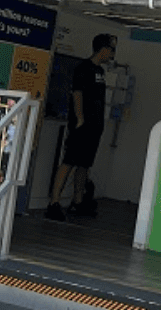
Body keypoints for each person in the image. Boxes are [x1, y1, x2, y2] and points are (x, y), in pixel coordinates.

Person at [47, 33, 116, 220]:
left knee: (85, 164)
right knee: (69, 161)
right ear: (102, 49)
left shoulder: (100, 71)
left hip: (95, 126)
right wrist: (80, 119)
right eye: (111, 50)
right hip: (82, 126)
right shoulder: (83, 68)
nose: (112, 54)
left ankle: (77, 202)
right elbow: (77, 93)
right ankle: (54, 203)